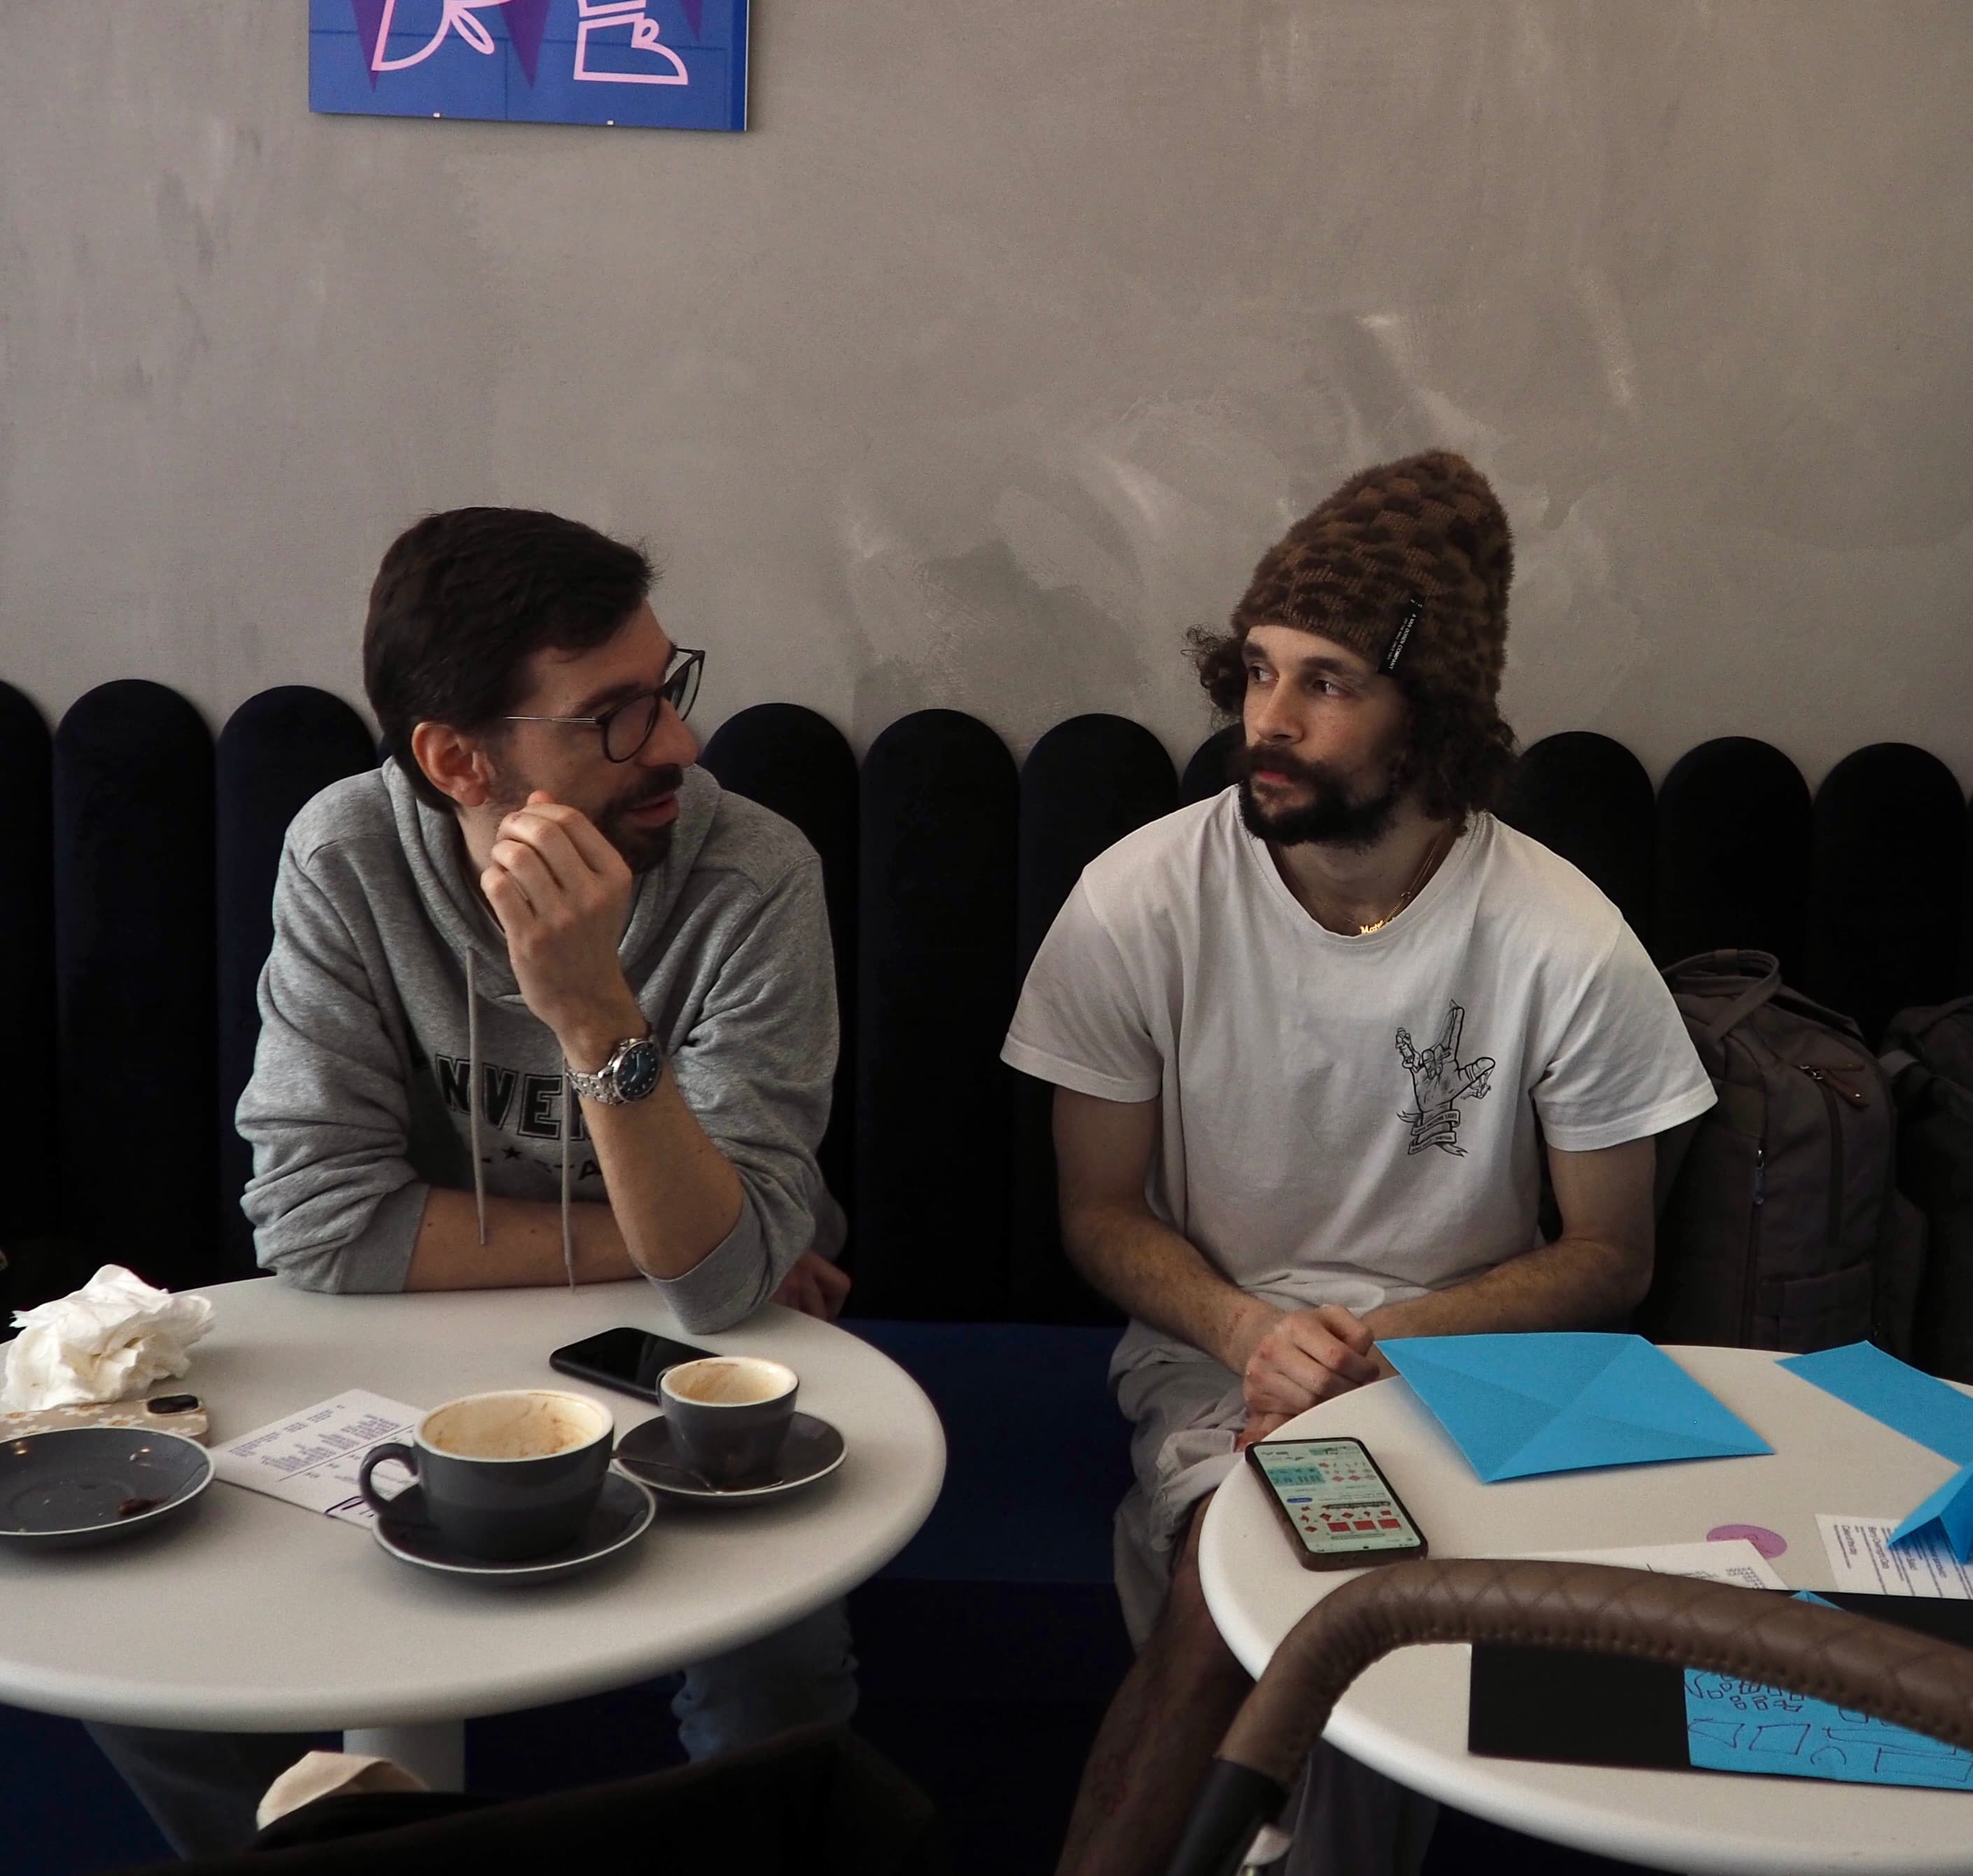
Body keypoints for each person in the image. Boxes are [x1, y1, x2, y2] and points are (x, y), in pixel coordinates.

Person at [90, 507, 855, 1854]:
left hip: (678, 1367)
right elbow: (318, 1226)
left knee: (777, 1672)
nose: (676, 743)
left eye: (670, 689)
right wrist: (682, 1234)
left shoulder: (752, 874)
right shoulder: (349, 856)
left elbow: (724, 1293)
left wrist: (592, 1012)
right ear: (455, 758)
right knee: (137, 1652)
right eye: (614, 716)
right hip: (408, 1351)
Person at [1002, 451, 1716, 1876]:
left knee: (1321, 1590)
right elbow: (1098, 1212)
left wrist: (1373, 1349)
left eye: (1326, 682)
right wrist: (1260, 1334)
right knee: (1265, 1556)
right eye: (1258, 670)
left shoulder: (1562, 941)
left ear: (1428, 718)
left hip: (1463, 1382)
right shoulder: (1137, 901)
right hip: (1216, 1359)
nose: (1268, 719)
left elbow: (1610, 1258)